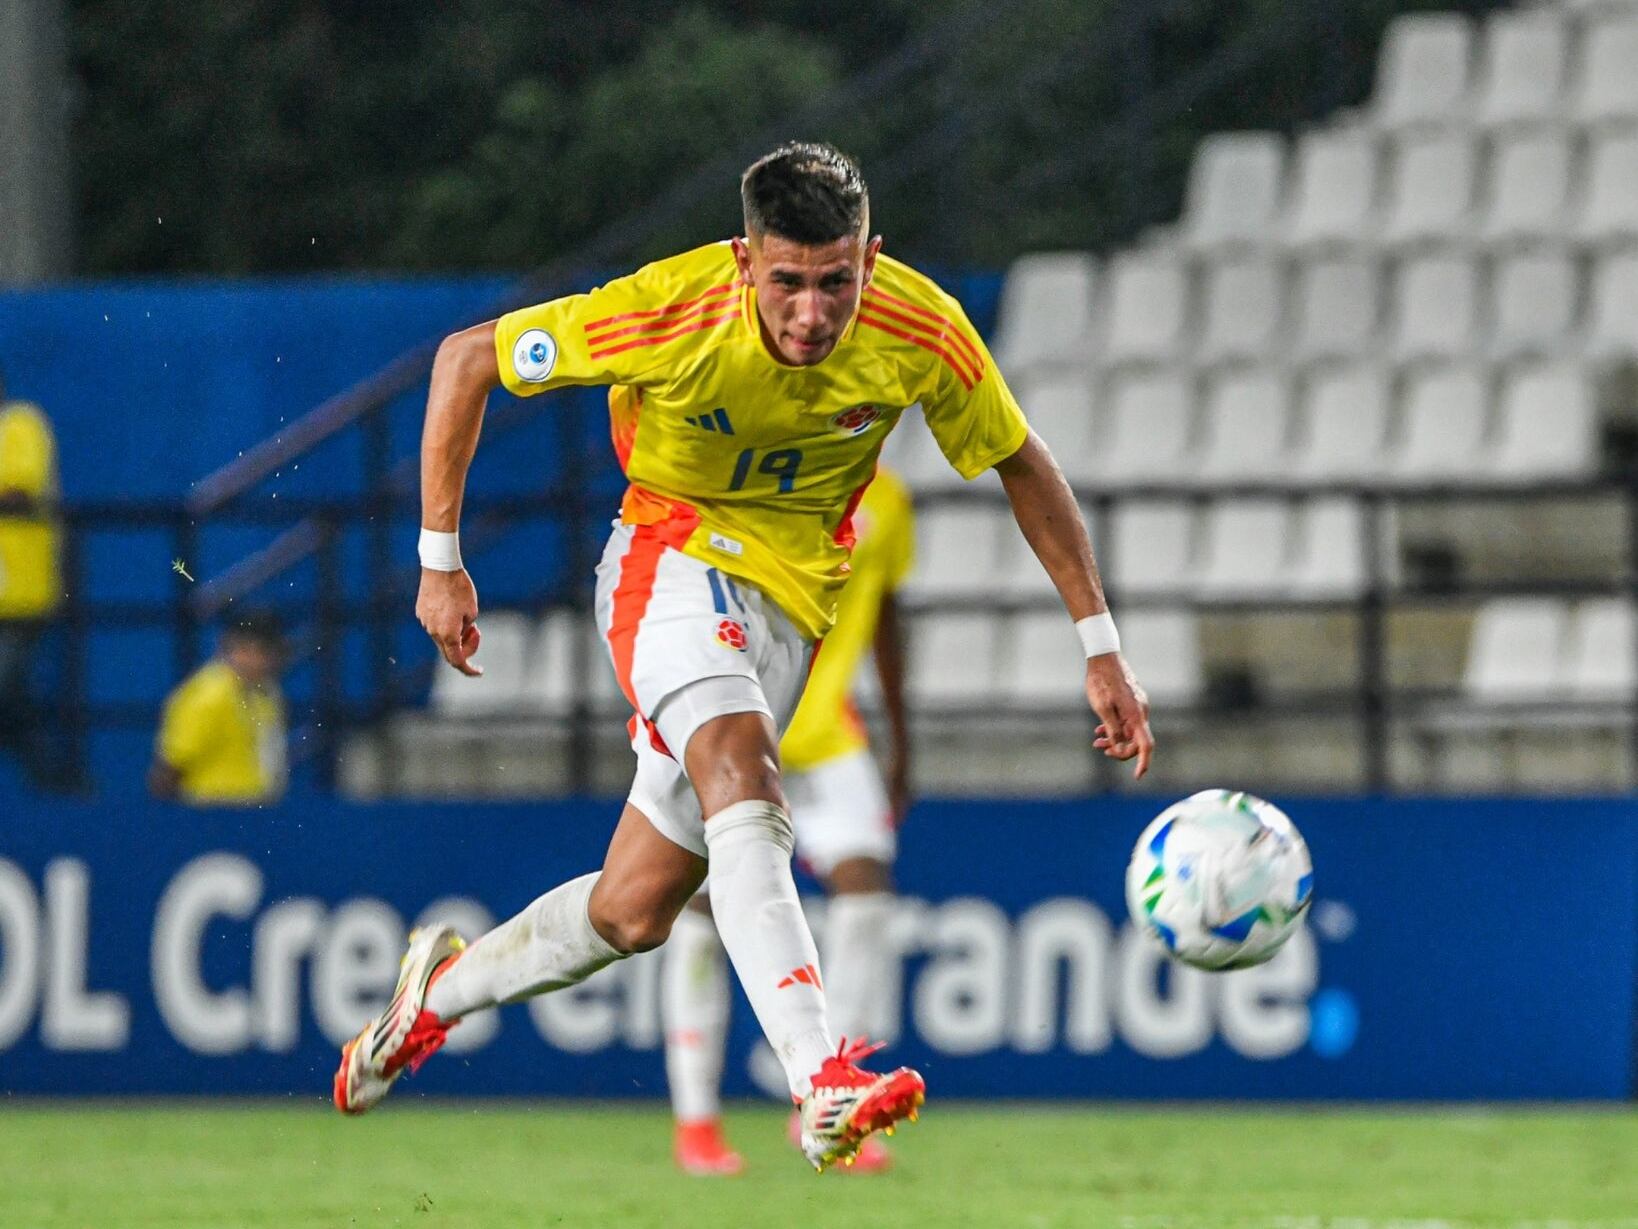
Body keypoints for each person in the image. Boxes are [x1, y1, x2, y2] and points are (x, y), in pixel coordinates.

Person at [333, 142, 1154, 1173]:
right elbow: (466, 359)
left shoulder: (920, 326)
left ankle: (433, 997)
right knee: (745, 772)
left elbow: (1022, 462)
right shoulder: (672, 306)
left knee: (633, 909)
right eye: (788, 283)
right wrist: (439, 561)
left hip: (790, 608)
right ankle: (822, 1079)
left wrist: (1101, 645)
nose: (811, 314)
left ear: (872, 257)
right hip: (667, 560)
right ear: (744, 257)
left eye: (836, 283)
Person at [664, 464, 915, 1176]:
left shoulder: (891, 503)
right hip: (735, 721)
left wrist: (901, 740)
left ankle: (833, 1102)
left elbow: (885, 615)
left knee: (867, 889)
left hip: (828, 732)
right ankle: (697, 1122)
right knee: (702, 911)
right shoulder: (753, 467)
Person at [0, 369, 66, 790]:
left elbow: (18, 493)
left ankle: (61, 786)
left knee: (6, 690)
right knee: (11, 700)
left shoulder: (21, 423)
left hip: (22, 594)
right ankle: (60, 786)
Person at [149, 609, 288, 805]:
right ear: (226, 647)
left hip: (256, 810)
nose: (254, 660)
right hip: (212, 811)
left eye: (263, 652)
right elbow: (169, 768)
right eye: (245, 649)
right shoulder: (207, 696)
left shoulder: (267, 695)